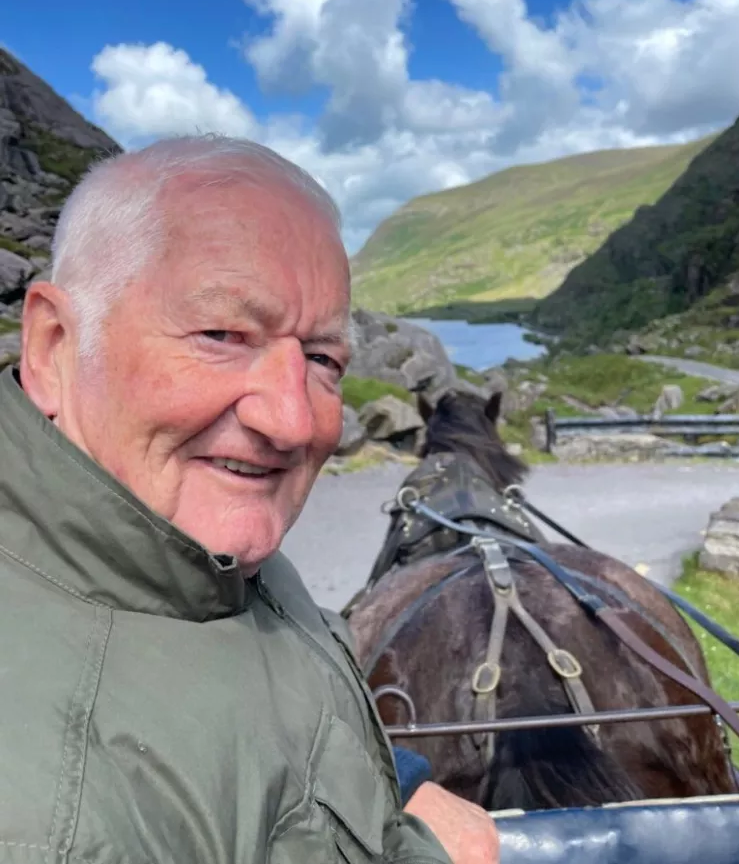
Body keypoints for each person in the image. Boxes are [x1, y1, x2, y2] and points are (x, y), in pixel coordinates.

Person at [0, 135, 500, 863]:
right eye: (222, 334)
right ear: (53, 346)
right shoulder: (44, 818)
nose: (294, 421)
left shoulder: (189, 546)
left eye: (323, 359)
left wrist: (397, 779)